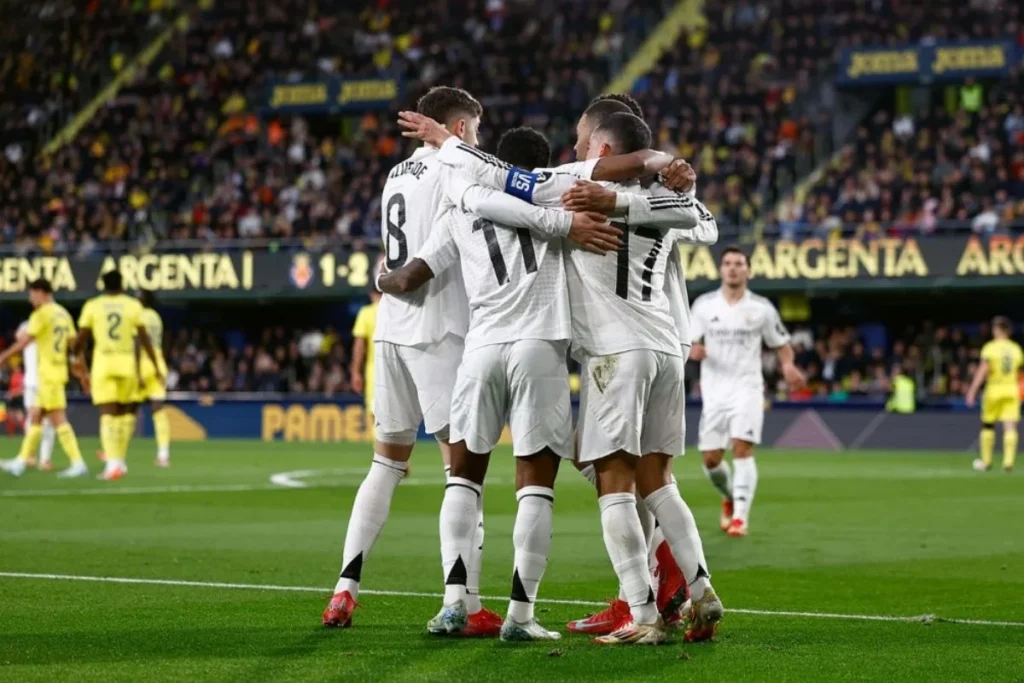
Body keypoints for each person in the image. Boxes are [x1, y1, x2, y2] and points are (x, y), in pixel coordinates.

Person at [400, 99, 721, 643]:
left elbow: (494, 185)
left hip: (604, 352)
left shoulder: (559, 187)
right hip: (666, 347)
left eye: (581, 139)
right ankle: (699, 587)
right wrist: (665, 169)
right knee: (654, 479)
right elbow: (704, 222)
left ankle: (638, 612)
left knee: (606, 482)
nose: (574, 147)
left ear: (601, 149)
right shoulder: (671, 199)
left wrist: (448, 142)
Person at [379, 126, 620, 641]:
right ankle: (521, 615)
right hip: (540, 345)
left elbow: (407, 279)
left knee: (462, 477)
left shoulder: (460, 210)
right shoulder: (556, 190)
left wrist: (381, 278)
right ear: (543, 164)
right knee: (535, 483)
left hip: (481, 349)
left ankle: (454, 603)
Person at [323, 86, 500, 635]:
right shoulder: (458, 170)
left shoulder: (395, 175)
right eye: (476, 128)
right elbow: (435, 253)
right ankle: (462, 602)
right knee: (462, 470)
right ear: (463, 128)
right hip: (438, 330)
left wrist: (383, 282)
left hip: (390, 332)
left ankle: (343, 591)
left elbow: (389, 259)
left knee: (385, 463)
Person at [689, 247, 806, 538]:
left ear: (748, 271)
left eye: (739, 264)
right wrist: (692, 349)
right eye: (727, 263)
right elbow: (686, 341)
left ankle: (740, 516)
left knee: (742, 446)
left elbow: (781, 343)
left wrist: (789, 366)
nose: (732, 268)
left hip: (748, 387)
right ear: (720, 270)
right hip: (714, 391)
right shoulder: (704, 306)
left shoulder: (762, 308)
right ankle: (729, 496)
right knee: (711, 460)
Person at [72, 271, 162, 481]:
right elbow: (144, 339)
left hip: (104, 364)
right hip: (127, 363)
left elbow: (80, 340)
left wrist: (75, 357)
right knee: (124, 414)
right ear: (122, 285)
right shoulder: (133, 306)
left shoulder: (93, 306)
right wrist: (156, 364)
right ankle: (119, 461)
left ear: (103, 286)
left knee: (107, 414)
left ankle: (112, 464)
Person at [0, 279, 89, 478]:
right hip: (56, 372)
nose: (31, 299)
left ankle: (78, 462)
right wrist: (82, 372)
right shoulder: (63, 314)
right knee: (36, 416)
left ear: (41, 292)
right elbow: (75, 346)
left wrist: (4, 356)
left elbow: (25, 341)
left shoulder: (42, 314)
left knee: (58, 418)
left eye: (32, 294)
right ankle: (21, 462)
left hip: (48, 374)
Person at [966, 316, 1023, 472]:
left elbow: (983, 370)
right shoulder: (1016, 349)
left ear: (998, 330)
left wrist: (972, 391)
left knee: (988, 425)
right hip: (1011, 390)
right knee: (1010, 426)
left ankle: (986, 461)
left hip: (994, 389)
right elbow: (1019, 373)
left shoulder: (990, 348)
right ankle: (1008, 462)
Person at [135, 290, 171, 467]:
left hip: (142, 363)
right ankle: (163, 455)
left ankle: (114, 453)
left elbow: (137, 342)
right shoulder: (156, 317)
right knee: (158, 411)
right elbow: (161, 342)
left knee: (126, 409)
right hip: (158, 362)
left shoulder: (137, 315)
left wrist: (136, 371)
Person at [15, 321, 58, 469]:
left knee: (50, 420)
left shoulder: (54, 322)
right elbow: (19, 337)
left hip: (50, 379)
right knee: (32, 418)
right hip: (32, 381)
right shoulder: (28, 324)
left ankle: (45, 459)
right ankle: (30, 454)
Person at [350, 287, 380, 419]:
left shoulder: (366, 313)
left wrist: (356, 372)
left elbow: (359, 346)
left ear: (371, 293)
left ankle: (380, 440)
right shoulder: (399, 311)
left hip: (375, 371)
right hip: (399, 369)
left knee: (376, 415)